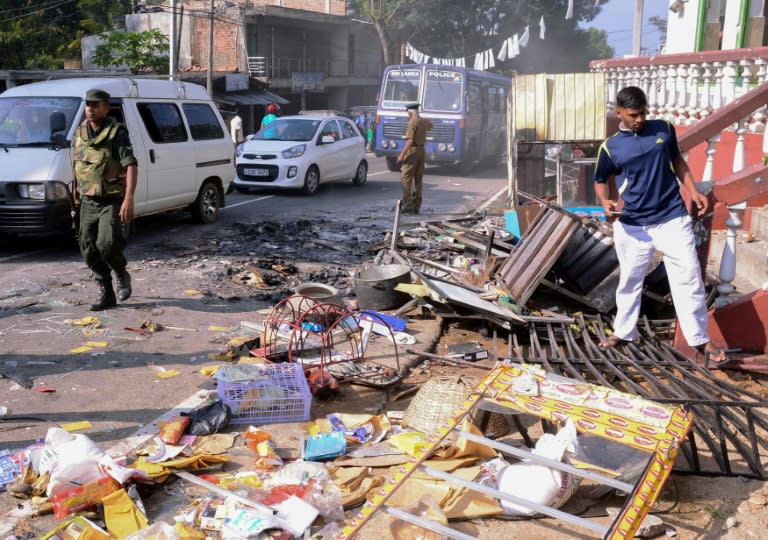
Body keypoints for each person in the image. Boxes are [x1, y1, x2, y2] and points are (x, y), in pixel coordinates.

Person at [593, 86, 726, 363]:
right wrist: (605, 203)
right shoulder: (611, 147)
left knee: (689, 275)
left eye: (642, 113)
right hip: (632, 225)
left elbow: (678, 161)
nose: (639, 119)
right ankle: (623, 332)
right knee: (630, 279)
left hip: (671, 216)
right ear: (619, 112)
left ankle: (700, 339)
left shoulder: (664, 129)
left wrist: (694, 190)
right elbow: (601, 180)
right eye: (633, 115)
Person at [73, 88, 138, 311]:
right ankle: (106, 292)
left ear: (106, 108)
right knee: (88, 248)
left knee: (107, 243)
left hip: (111, 199)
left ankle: (120, 271)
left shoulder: (116, 132)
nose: (90, 109)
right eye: (87, 105)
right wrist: (75, 189)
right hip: (87, 200)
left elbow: (130, 164)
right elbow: (78, 163)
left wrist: (129, 197)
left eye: (95, 105)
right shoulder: (80, 131)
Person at [396, 102, 432, 214]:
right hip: (422, 151)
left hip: (413, 151)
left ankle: (408, 204)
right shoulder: (422, 121)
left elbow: (410, 140)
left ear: (410, 113)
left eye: (407, 113)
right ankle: (417, 205)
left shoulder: (412, 122)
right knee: (418, 179)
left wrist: (402, 154)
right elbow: (430, 126)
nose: (407, 115)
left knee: (405, 178)